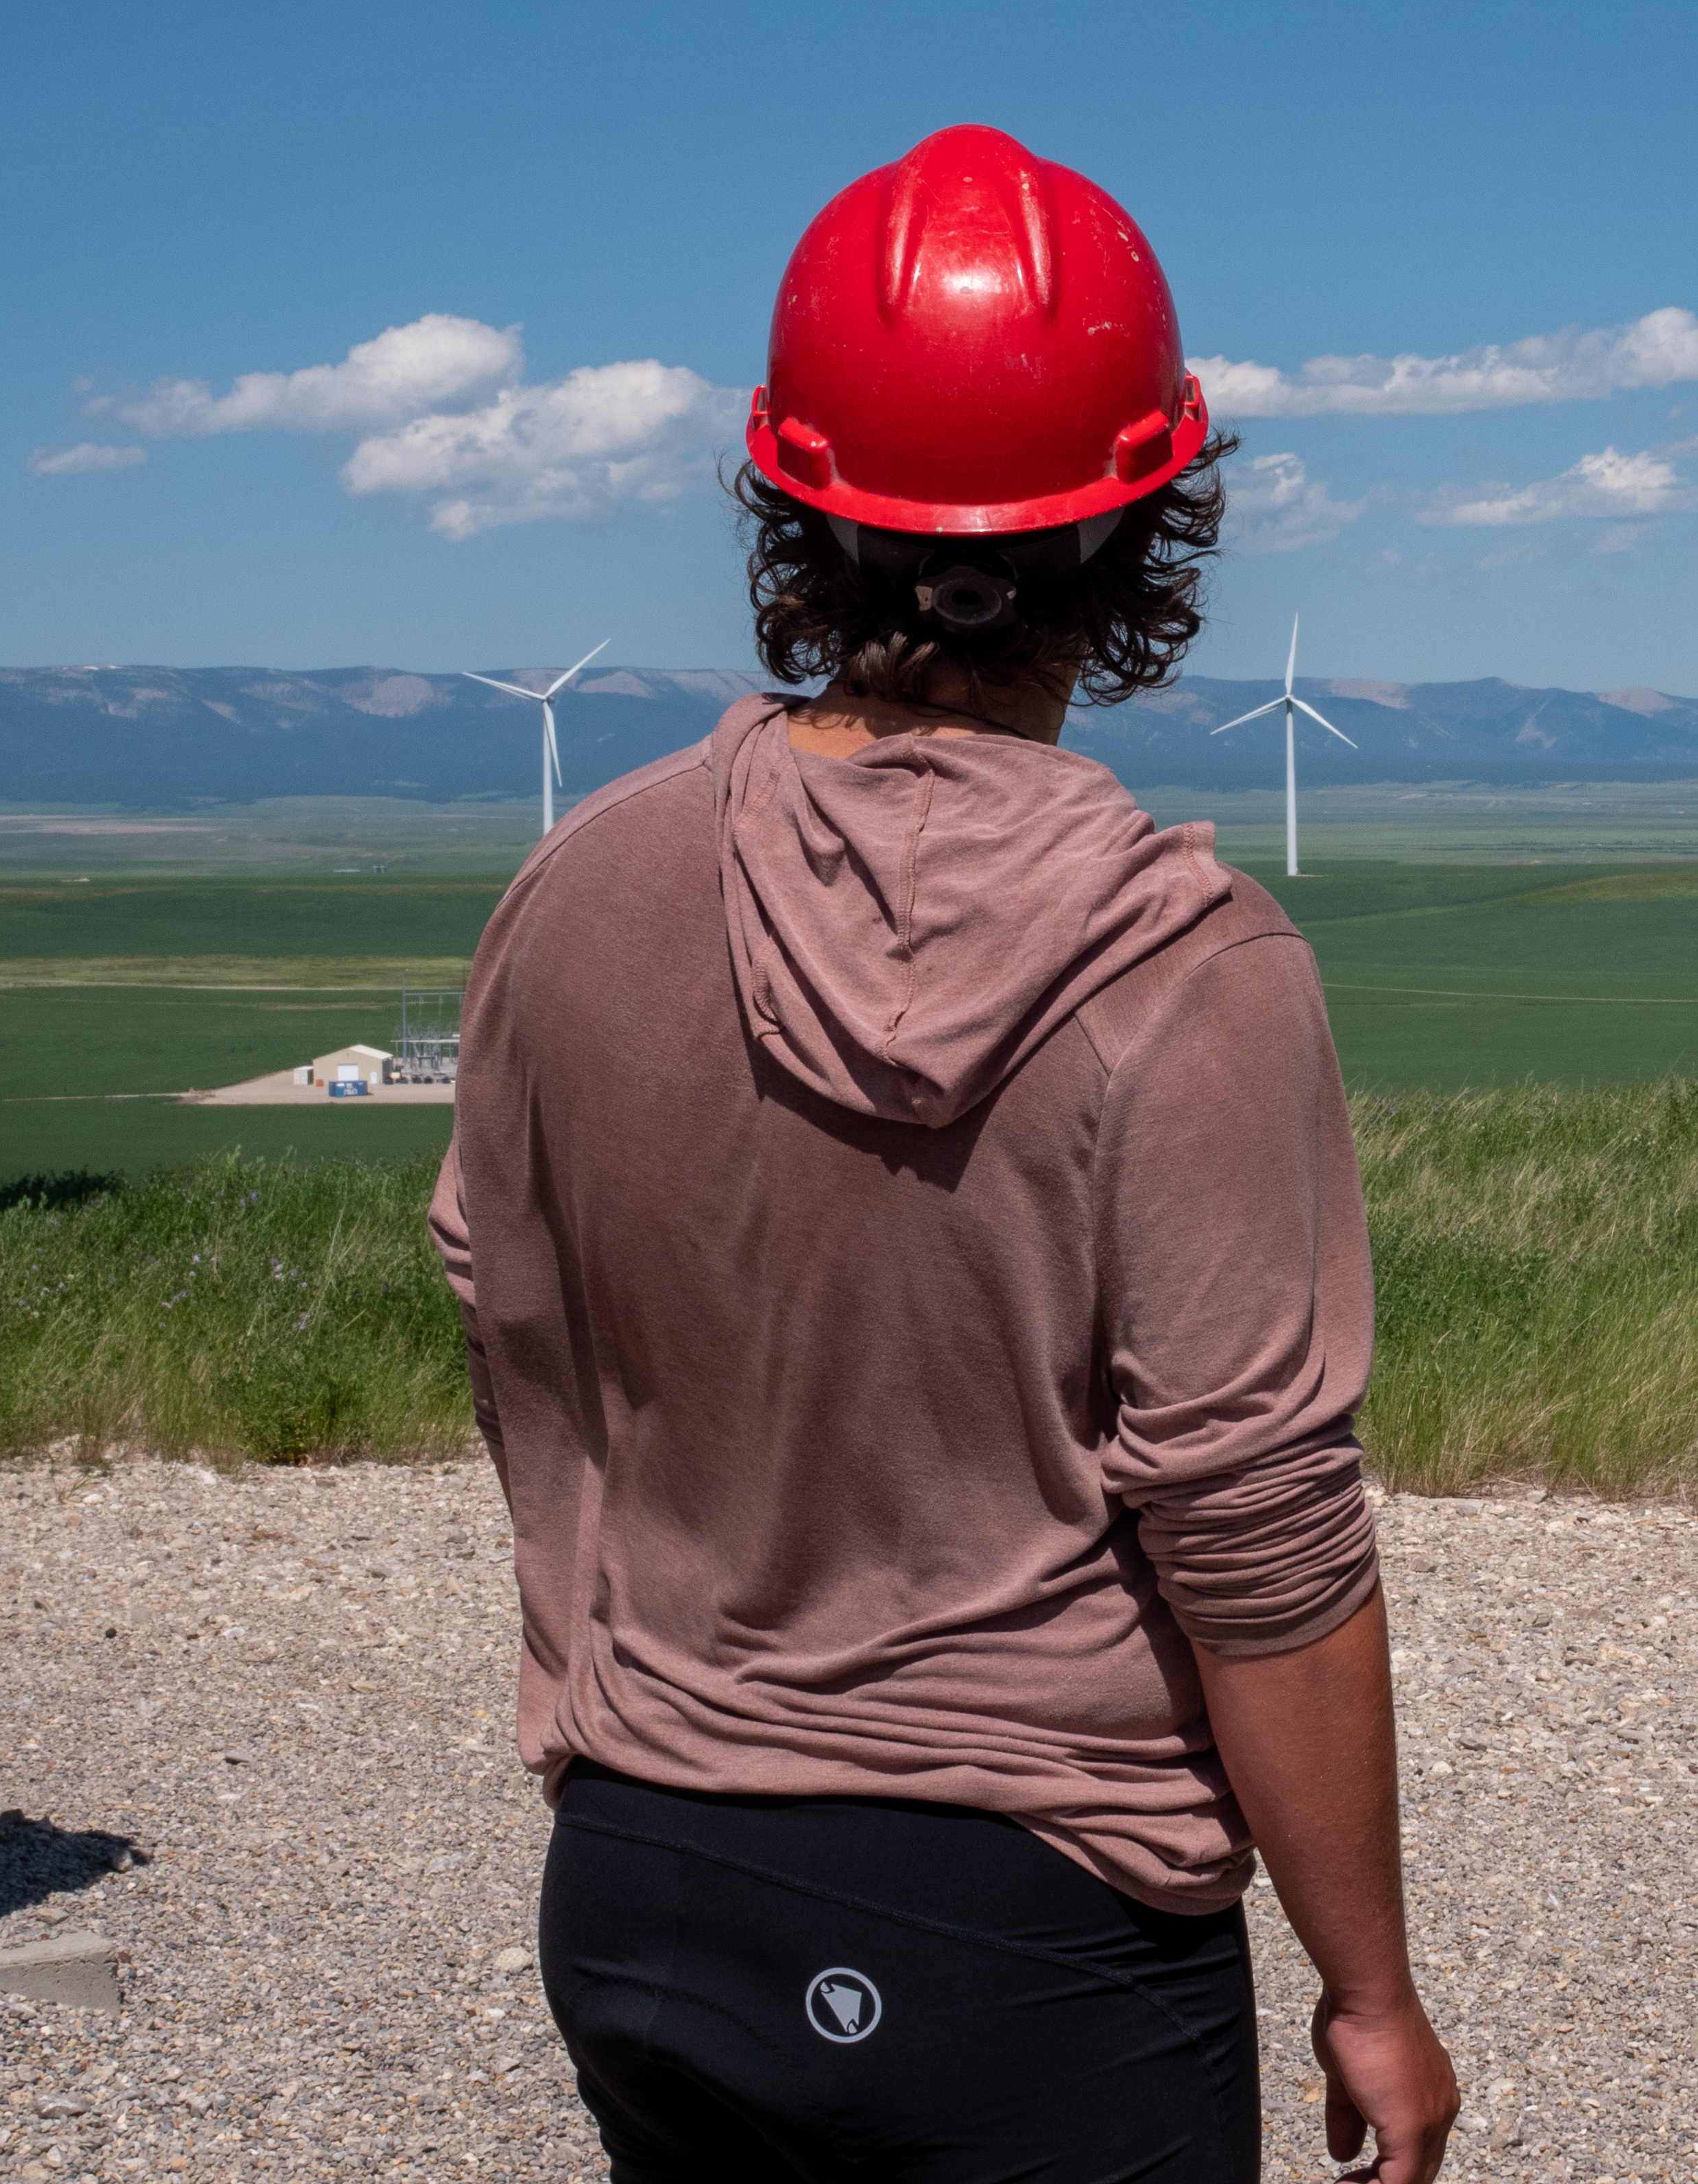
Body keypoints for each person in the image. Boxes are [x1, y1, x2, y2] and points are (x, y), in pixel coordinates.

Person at [432, 123, 1458, 2184]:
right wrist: (1369, 1983)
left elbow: (513, 1328)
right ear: (1152, 528)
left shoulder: (578, 891)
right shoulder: (1188, 961)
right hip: (1031, 1945)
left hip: (646, 1881)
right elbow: (1256, 1531)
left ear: (789, 508)